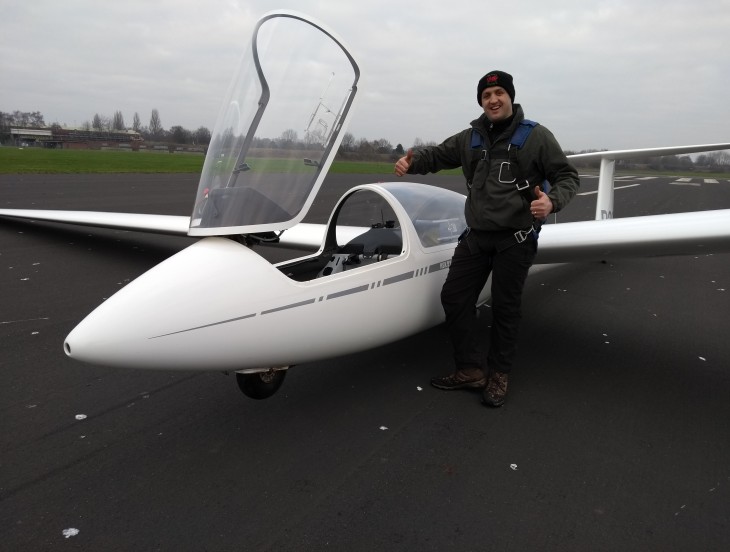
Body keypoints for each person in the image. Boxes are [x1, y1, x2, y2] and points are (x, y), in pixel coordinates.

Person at [394, 70, 579, 407]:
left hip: (515, 238)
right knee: (454, 297)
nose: (493, 100)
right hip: (476, 237)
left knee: (506, 308)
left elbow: (567, 176)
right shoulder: (471, 138)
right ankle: (470, 369)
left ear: (510, 96)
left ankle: (499, 375)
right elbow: (438, 155)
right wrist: (413, 161)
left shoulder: (536, 136)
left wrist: (552, 202)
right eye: (486, 96)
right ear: (481, 102)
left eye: (498, 93)